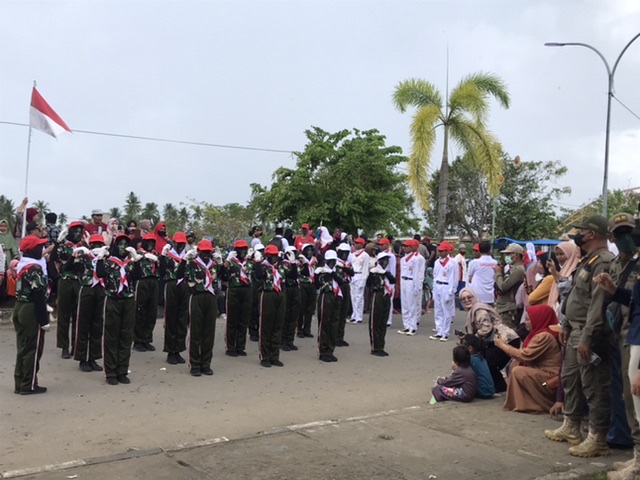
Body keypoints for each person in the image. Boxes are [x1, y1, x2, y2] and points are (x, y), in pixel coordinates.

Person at [545, 215, 614, 458]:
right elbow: (575, 297)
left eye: (582, 230)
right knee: (570, 378)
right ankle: (571, 425)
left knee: (594, 385)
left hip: (589, 332)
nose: (578, 234)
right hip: (573, 328)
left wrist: (587, 337)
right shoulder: (589, 260)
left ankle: (597, 438)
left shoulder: (603, 261)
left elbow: (597, 303)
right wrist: (564, 323)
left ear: (592, 234)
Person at [604, 213, 640, 453]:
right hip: (621, 334)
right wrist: (614, 291)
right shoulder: (615, 263)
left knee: (633, 395)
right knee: (624, 394)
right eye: (620, 233)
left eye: (629, 232)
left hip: (634, 339)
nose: (626, 238)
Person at [495, 305, 562, 414]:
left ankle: (534, 405)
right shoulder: (539, 333)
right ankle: (523, 402)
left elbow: (524, 355)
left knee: (518, 371)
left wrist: (502, 345)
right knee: (515, 364)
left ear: (538, 319)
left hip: (550, 376)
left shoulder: (544, 336)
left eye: (528, 319)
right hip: (543, 371)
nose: (525, 322)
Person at [96, 233, 141, 384]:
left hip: (128, 300)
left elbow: (138, 276)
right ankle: (110, 372)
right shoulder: (109, 262)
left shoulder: (130, 262)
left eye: (125, 244)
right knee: (111, 336)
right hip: (113, 300)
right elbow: (100, 273)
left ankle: (122, 370)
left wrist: (136, 259)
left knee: (126, 336)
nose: (122, 247)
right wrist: (101, 258)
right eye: (120, 244)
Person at [460, 287, 520, 393]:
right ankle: (500, 387)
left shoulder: (478, 310)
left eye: (469, 297)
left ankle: (499, 387)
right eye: (463, 299)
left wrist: (473, 338)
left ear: (474, 297)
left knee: (487, 362)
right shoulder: (474, 310)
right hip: (503, 340)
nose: (466, 300)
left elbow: (486, 328)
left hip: (505, 340)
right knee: (488, 362)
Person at [13, 235, 51, 394]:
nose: (41, 249)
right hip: (30, 308)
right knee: (32, 349)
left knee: (22, 347)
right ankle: (28, 385)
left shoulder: (22, 266)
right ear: (32, 250)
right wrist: (44, 321)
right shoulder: (35, 268)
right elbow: (38, 295)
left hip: (19, 306)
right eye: (39, 247)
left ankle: (20, 382)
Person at [182, 240, 221, 376]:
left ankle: (206, 363)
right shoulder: (192, 264)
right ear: (198, 251)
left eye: (208, 252)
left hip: (211, 297)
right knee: (195, 331)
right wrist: (185, 261)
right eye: (203, 252)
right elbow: (185, 277)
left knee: (209, 331)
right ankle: (194, 364)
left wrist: (222, 264)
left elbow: (222, 278)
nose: (206, 254)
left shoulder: (214, 265)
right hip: (197, 296)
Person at [74, 234, 109, 373]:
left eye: (99, 244)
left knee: (97, 325)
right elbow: (72, 268)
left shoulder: (105, 257)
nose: (97, 247)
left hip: (100, 290)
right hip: (87, 289)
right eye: (94, 244)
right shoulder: (84, 256)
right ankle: (82, 358)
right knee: (83, 324)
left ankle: (93, 358)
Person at [52, 221, 85, 359]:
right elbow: (55, 258)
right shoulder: (64, 247)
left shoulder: (83, 248)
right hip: (65, 281)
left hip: (79, 282)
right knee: (64, 314)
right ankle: (64, 346)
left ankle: (76, 346)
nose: (78, 234)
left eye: (80, 231)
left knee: (78, 315)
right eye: (75, 231)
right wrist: (58, 242)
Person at [253, 244, 289, 367]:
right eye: (271, 256)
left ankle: (274, 355)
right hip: (267, 294)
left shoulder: (282, 266)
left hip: (280, 294)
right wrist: (257, 263)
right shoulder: (263, 266)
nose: (273, 258)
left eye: (275, 255)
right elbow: (257, 277)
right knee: (265, 326)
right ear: (267, 256)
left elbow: (292, 276)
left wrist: (293, 263)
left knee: (278, 325)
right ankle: (264, 356)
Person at [160, 232, 190, 365]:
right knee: (171, 317)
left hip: (184, 285)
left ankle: (178, 349)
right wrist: (161, 257)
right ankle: (170, 351)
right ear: (174, 242)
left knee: (182, 318)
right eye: (178, 243)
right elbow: (161, 272)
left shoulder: (188, 256)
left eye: (182, 243)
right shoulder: (167, 255)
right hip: (171, 284)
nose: (180, 245)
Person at [222, 239, 254, 357]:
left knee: (244, 319)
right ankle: (230, 347)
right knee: (232, 319)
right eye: (240, 249)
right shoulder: (231, 261)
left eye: (244, 248)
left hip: (247, 290)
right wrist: (227, 260)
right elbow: (223, 275)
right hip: (234, 289)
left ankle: (240, 346)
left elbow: (256, 274)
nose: (242, 251)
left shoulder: (249, 261)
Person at [132, 234, 160, 352]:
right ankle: (138, 340)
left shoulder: (156, 254)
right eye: (148, 242)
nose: (150, 244)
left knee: (152, 311)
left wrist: (158, 260)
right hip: (142, 281)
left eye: (152, 242)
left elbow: (162, 269)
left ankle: (147, 339)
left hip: (154, 281)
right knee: (140, 310)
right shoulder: (137, 254)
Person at [315, 249, 343, 362]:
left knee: (334, 323)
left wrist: (332, 272)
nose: (332, 262)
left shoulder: (338, 269)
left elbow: (341, 281)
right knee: (324, 323)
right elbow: (317, 285)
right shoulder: (320, 270)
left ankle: (330, 350)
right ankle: (322, 351)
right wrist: (320, 273)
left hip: (337, 296)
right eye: (330, 260)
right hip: (326, 296)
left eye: (333, 260)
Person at [367, 252, 395, 356]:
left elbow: (393, 281)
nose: (385, 262)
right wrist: (375, 274)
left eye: (387, 260)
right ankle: (375, 347)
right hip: (377, 294)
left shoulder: (386, 271)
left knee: (383, 321)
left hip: (386, 295)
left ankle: (381, 345)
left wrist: (386, 273)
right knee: (375, 321)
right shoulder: (374, 271)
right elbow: (368, 284)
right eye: (383, 260)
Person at [430, 241, 457, 341]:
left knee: (446, 310)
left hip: (446, 287)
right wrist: (433, 290)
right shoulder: (437, 262)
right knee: (438, 310)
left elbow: (454, 278)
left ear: (447, 251)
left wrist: (451, 292)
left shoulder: (452, 262)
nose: (440, 253)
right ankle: (439, 331)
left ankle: (445, 333)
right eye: (439, 251)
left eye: (442, 251)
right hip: (438, 285)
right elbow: (435, 276)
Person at [494, 243, 526, 329]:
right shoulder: (512, 268)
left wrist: (498, 274)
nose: (506, 257)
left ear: (516, 255)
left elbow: (503, 287)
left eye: (508, 254)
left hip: (509, 309)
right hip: (504, 307)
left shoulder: (518, 270)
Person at [399, 239, 426, 336]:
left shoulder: (416, 259)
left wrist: (417, 287)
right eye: (403, 246)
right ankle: (406, 326)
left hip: (411, 281)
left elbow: (416, 274)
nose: (404, 248)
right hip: (404, 281)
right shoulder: (403, 259)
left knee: (412, 305)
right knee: (405, 305)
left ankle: (413, 326)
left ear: (411, 247)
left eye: (406, 246)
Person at [462, 335, 495, 399]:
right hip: (490, 391)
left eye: (463, 346)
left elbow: (462, 375)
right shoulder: (481, 358)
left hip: (482, 392)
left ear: (470, 348)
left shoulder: (472, 360)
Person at [281, 246, 301, 352]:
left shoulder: (296, 263)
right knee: (285, 315)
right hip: (287, 289)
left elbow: (300, 274)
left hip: (295, 289)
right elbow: (291, 275)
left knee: (293, 316)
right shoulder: (283, 264)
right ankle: (282, 341)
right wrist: (292, 263)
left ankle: (290, 340)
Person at [335, 243, 354, 347]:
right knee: (337, 312)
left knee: (344, 312)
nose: (345, 255)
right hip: (339, 287)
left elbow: (352, 273)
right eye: (343, 253)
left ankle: (340, 336)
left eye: (347, 253)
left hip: (346, 285)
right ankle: (335, 336)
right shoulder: (336, 262)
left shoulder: (347, 263)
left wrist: (346, 267)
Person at [297, 243, 317, 339]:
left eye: (311, 249)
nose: (309, 251)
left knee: (310, 308)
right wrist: (305, 263)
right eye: (307, 249)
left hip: (312, 285)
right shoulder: (300, 261)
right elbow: (303, 272)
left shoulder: (314, 260)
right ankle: (299, 329)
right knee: (301, 307)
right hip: (303, 284)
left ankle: (307, 329)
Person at [467, 240, 497, 305]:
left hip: (477, 295)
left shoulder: (474, 263)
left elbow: (469, 278)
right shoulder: (495, 263)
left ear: (479, 250)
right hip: (490, 295)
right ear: (490, 250)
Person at [349, 237, 370, 324]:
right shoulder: (352, 255)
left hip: (360, 275)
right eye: (355, 243)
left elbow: (366, 268)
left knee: (359, 297)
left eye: (357, 243)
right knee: (353, 296)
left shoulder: (365, 255)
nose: (355, 244)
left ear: (362, 244)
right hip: (353, 275)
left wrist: (364, 279)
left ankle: (359, 316)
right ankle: (354, 315)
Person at [377, 237, 396, 326]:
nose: (380, 246)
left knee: (389, 300)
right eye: (380, 244)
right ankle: (382, 318)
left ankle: (388, 320)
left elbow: (391, 269)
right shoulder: (380, 254)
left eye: (382, 244)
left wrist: (391, 278)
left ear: (387, 245)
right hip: (381, 278)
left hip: (388, 279)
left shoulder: (391, 256)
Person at [454, 244, 469, 311]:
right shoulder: (458, 257)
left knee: (462, 292)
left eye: (464, 249)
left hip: (464, 277)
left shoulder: (463, 257)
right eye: (462, 249)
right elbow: (454, 264)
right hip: (460, 278)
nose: (464, 250)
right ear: (459, 250)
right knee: (461, 293)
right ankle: (461, 306)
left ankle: (462, 306)